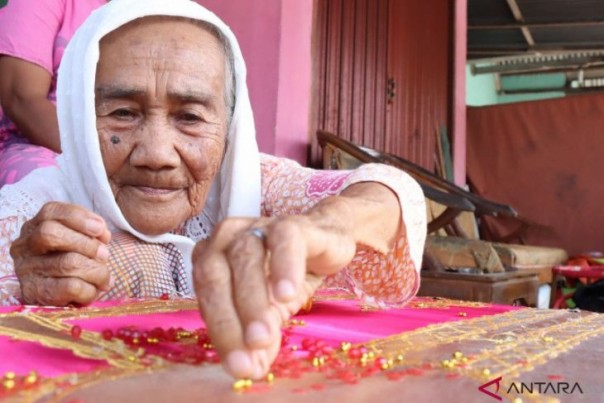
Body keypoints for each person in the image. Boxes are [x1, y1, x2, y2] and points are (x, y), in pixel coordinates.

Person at [0, 0, 427, 380]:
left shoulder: (250, 183)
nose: (157, 154)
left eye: (189, 117)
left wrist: (330, 224)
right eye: (123, 113)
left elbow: (390, 192)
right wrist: (20, 283)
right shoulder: (31, 219)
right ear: (77, 119)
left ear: (230, 127)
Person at [0, 0, 107, 187]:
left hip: (134, 148)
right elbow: (21, 99)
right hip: (39, 145)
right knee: (44, 189)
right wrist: (99, 159)